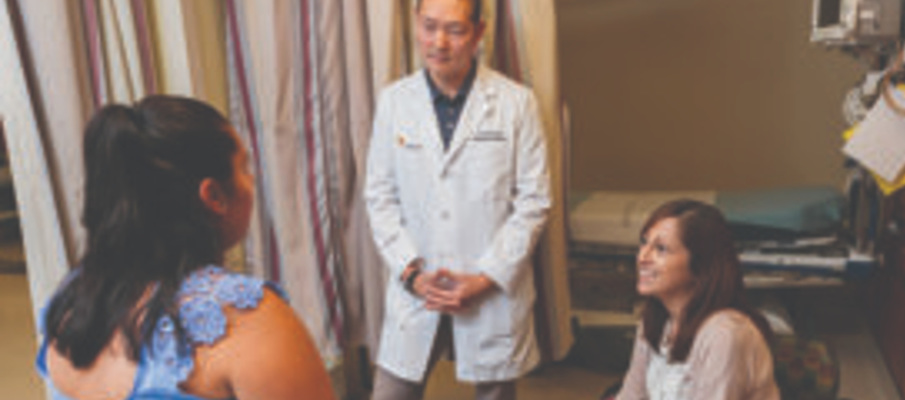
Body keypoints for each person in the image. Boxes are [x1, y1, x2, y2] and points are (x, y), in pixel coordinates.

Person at [36, 95, 337, 400]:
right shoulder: (249, 321)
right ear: (213, 196)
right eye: (244, 167)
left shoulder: (72, 303)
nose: (252, 179)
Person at [364, 0, 551, 398]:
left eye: (454, 30)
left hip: (491, 290)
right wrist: (412, 275)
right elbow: (379, 197)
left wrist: (486, 278)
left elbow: (534, 202)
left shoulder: (516, 103)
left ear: (479, 33)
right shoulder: (394, 101)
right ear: (416, 24)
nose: (439, 42)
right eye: (429, 27)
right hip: (417, 286)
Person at [615, 200, 779, 400]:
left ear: (700, 266)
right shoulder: (654, 322)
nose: (643, 257)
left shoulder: (725, 334)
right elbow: (631, 395)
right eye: (644, 243)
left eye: (661, 249)